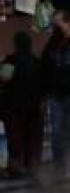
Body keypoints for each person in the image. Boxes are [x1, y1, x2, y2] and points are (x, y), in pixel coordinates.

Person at [41, 10, 70, 173]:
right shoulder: (54, 42)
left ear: (68, 23)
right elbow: (44, 65)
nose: (55, 27)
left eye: (58, 23)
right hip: (56, 94)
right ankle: (59, 168)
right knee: (57, 133)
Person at [0, 32, 43, 177]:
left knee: (15, 139)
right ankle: (32, 166)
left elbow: (4, 78)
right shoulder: (36, 61)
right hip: (33, 106)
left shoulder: (11, 60)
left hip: (13, 106)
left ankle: (15, 167)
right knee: (32, 138)